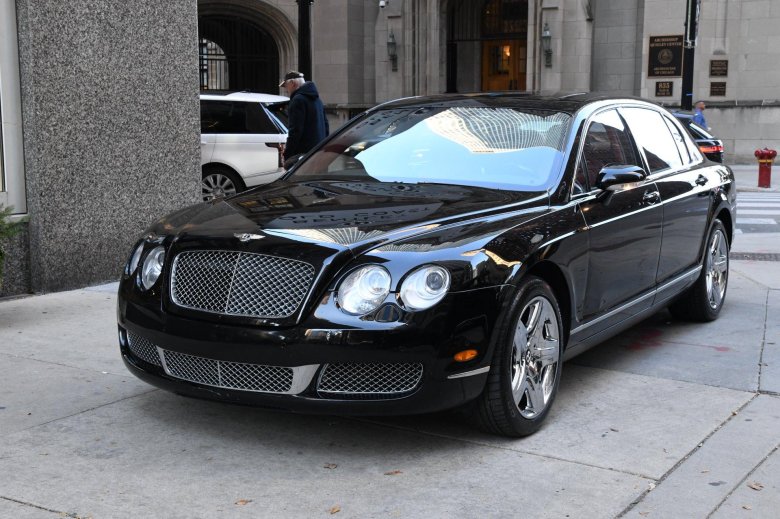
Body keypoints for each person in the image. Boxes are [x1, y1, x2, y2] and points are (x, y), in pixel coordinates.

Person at [279, 71, 329, 168]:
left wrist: (287, 155)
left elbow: (295, 131)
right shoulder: (317, 100)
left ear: (293, 83)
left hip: (303, 156)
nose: (286, 90)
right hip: (318, 152)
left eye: (286, 86)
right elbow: (326, 126)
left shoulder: (297, 100)